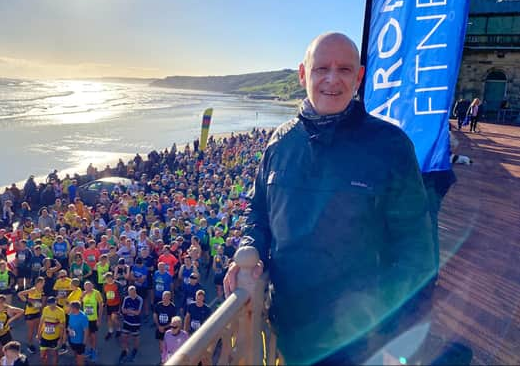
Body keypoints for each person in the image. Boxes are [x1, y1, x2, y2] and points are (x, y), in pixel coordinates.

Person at [224, 32, 435, 364]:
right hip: (289, 329)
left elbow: (416, 251)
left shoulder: (391, 147)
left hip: (358, 339)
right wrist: (249, 246)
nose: (332, 80)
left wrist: (396, 334)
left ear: (360, 77)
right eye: (322, 68)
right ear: (303, 74)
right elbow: (259, 210)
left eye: (345, 70)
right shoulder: (280, 143)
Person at [18, 276, 45, 354]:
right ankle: (30, 345)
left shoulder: (41, 290)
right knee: (31, 330)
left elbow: (38, 302)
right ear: (37, 283)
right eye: (41, 283)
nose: (42, 284)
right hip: (29, 313)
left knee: (38, 328)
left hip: (36, 312)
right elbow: (20, 294)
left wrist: (38, 306)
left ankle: (40, 342)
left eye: (43, 283)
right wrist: (27, 302)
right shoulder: (33, 290)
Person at [37, 296, 65, 365]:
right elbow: (41, 322)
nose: (51, 305)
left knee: (54, 355)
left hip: (54, 338)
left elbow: (62, 327)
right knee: (42, 356)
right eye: (49, 304)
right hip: (44, 337)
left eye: (53, 303)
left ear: (56, 303)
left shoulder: (60, 311)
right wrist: (38, 334)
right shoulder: (45, 309)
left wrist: (60, 339)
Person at [80, 281, 104, 362]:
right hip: (85, 319)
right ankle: (90, 349)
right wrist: (81, 297)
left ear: (92, 286)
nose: (87, 287)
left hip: (93, 318)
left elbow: (101, 306)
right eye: (86, 286)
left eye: (89, 285)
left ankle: (94, 351)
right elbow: (79, 305)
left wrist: (99, 319)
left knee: (93, 335)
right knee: (87, 335)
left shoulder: (96, 293)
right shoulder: (83, 293)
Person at [119, 286, 143, 364]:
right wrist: (131, 311)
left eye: (131, 293)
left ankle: (135, 350)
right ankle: (125, 351)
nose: (130, 294)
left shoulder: (139, 299)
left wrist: (128, 311)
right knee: (124, 337)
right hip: (127, 321)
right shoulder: (126, 298)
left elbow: (138, 312)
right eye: (129, 293)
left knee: (135, 338)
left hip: (136, 322)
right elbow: (123, 310)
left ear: (135, 292)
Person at [153, 291, 177, 355]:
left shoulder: (172, 307)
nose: (165, 299)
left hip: (168, 329)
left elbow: (173, 321)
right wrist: (158, 326)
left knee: (168, 345)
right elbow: (155, 315)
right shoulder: (158, 305)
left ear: (169, 298)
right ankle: (162, 359)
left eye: (166, 298)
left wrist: (164, 327)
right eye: (164, 297)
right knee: (161, 344)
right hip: (159, 328)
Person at [66, 301, 89, 366]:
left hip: (80, 342)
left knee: (80, 359)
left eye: (70, 308)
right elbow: (68, 326)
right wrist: (69, 329)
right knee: (75, 354)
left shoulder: (83, 317)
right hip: (72, 340)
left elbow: (86, 331)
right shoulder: (70, 314)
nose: (69, 309)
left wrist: (84, 344)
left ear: (75, 309)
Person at [103, 273, 122, 340]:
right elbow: (104, 294)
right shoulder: (105, 284)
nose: (108, 279)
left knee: (114, 318)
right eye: (106, 278)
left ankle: (118, 329)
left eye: (109, 278)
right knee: (109, 319)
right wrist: (104, 303)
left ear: (112, 277)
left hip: (116, 304)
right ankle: (110, 331)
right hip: (108, 304)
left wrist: (121, 306)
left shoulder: (117, 284)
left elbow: (121, 295)